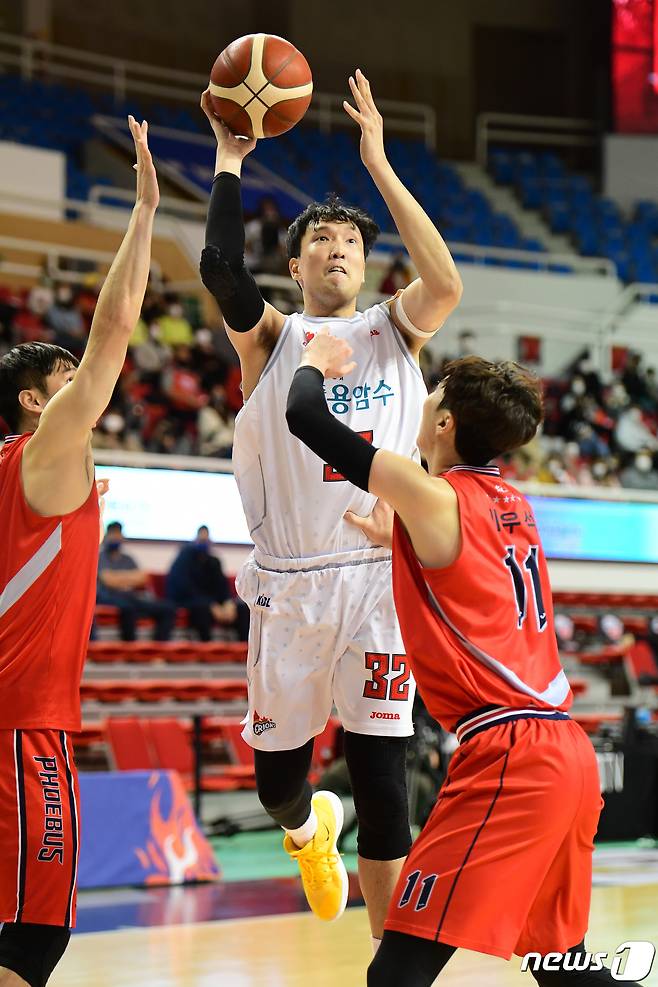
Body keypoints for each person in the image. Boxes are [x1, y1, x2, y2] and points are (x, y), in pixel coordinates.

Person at [286, 333, 642, 987]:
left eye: (434, 394)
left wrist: (309, 363)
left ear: (444, 422)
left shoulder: (428, 491)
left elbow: (305, 417)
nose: (423, 402)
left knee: (397, 971)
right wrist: (395, 529)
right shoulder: (513, 503)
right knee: (568, 973)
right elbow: (470, 569)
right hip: (566, 751)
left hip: (511, 753)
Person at [198, 68, 462, 945]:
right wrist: (232, 160)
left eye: (352, 239)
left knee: (385, 778)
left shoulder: (395, 326)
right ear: (298, 262)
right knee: (278, 782)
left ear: (363, 256)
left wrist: (379, 163)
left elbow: (446, 282)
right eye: (322, 242)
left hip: (374, 583)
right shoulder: (273, 337)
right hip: (289, 588)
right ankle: (310, 835)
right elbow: (219, 266)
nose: (339, 248)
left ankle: (389, 960)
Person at [0, 115, 158, 987]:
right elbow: (112, 337)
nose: (85, 394)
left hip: (15, 717)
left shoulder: (23, 473)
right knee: (31, 941)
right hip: (23, 730)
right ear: (33, 401)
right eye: (62, 385)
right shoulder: (46, 451)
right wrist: (141, 212)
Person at [166, 525, 249, 642]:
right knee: (203, 610)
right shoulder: (184, 558)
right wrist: (211, 605)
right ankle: (207, 648)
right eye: (202, 539)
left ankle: (244, 650)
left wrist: (228, 602)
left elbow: (222, 586)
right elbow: (184, 588)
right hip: (190, 601)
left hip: (213, 603)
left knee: (242, 608)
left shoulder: (214, 561)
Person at [97, 521, 175, 642]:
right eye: (113, 534)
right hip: (109, 598)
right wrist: (129, 578)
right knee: (128, 609)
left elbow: (142, 578)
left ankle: (158, 649)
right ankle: (130, 648)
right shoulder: (100, 557)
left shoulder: (128, 558)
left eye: (119, 534)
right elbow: (107, 580)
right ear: (107, 536)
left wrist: (117, 578)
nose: (116, 537)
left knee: (167, 608)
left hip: (131, 597)